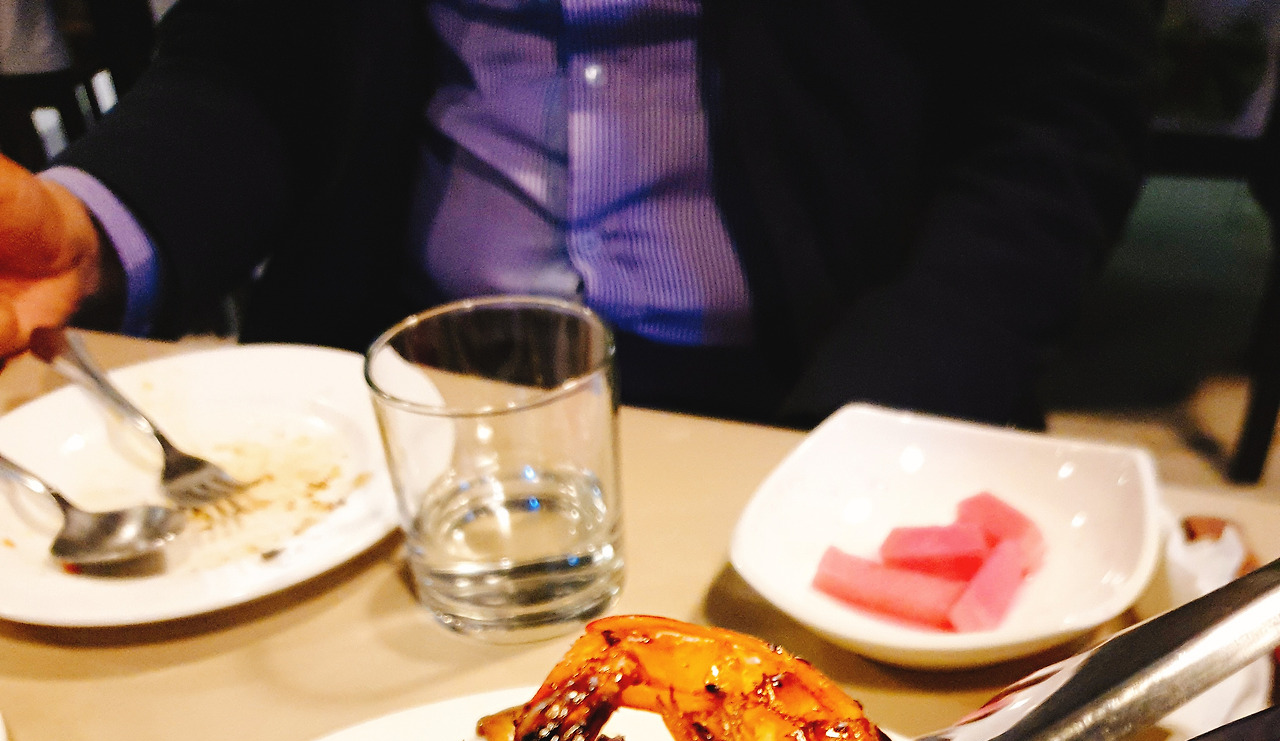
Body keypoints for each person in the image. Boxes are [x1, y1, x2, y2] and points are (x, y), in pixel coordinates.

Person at [0, 0, 1154, 427]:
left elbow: (1053, 116)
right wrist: (87, 226)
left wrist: (867, 431)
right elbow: (258, 57)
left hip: (821, 386)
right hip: (398, 387)